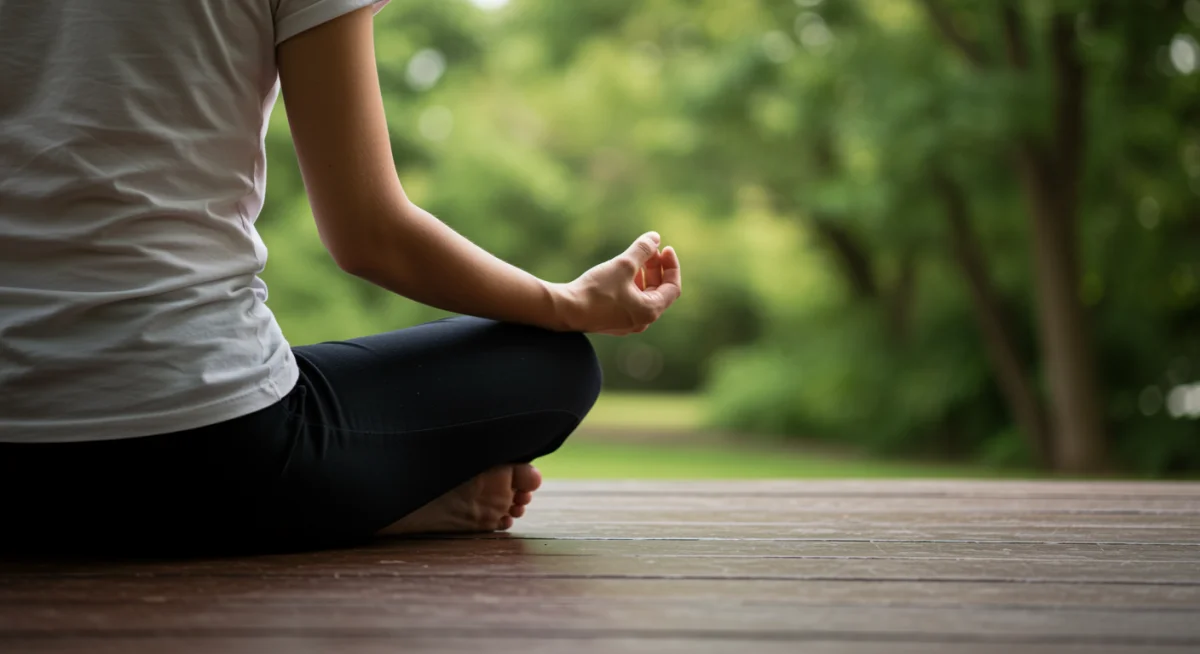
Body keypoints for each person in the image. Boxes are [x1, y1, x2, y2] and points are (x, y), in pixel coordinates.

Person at [0, 0, 681, 555]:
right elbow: (370, 236)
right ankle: (360, 508)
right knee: (551, 364)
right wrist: (566, 303)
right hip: (211, 448)